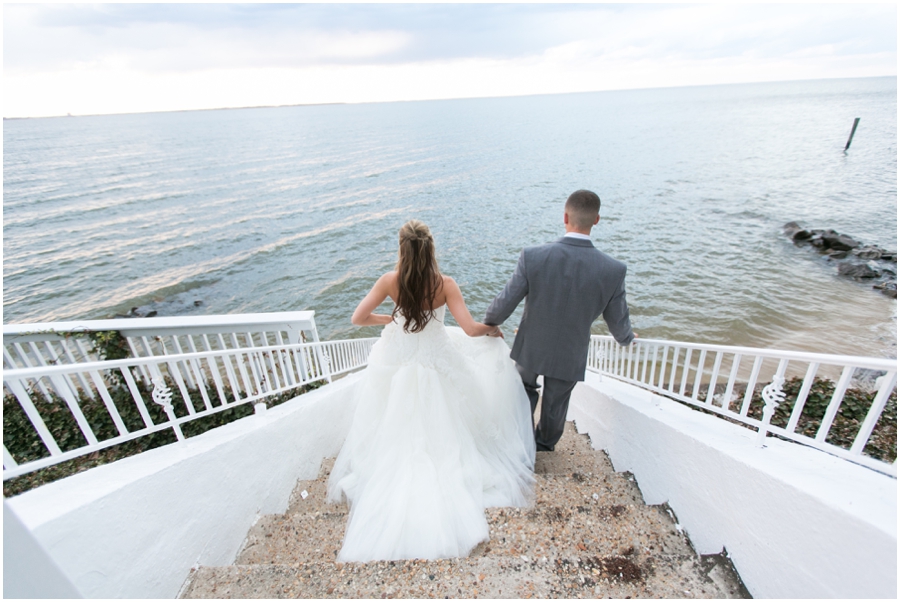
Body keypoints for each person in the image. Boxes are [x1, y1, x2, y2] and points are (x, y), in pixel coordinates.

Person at [327, 219, 536, 562]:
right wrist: (492, 329)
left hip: (399, 360)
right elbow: (469, 329)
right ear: (431, 250)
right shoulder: (445, 284)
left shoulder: (389, 281)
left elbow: (358, 318)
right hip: (438, 359)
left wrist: (391, 319)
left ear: (401, 249)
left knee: (392, 424)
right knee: (453, 421)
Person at [484, 189, 635, 452]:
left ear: (565, 216)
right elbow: (617, 318)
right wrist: (626, 339)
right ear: (596, 220)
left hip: (532, 344)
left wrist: (491, 321)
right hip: (571, 350)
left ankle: (521, 443)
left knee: (524, 392)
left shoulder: (533, 256)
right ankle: (544, 447)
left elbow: (507, 299)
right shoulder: (613, 270)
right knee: (556, 403)